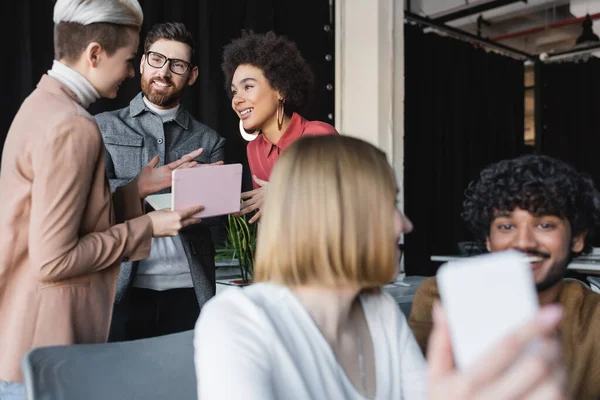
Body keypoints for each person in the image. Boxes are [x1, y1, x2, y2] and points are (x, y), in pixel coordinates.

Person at [194, 135, 566, 400]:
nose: (405, 225)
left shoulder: (379, 311)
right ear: (334, 217)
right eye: (389, 203)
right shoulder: (237, 320)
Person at [0, 0, 203, 395]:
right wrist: (147, 225)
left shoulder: (40, 106)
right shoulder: (73, 127)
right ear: (95, 54)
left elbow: (61, 224)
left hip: (24, 338)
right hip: (48, 349)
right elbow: (55, 259)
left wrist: (138, 189)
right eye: (131, 60)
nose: (131, 73)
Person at [409, 154, 600, 400]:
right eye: (506, 226)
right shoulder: (440, 298)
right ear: (487, 239)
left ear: (577, 239)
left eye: (544, 225)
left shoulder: (594, 316)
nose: (523, 242)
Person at [95, 22, 226, 341]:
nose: (164, 72)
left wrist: (212, 199)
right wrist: (140, 187)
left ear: (191, 75)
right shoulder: (102, 128)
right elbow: (90, 203)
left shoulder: (208, 140)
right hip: (119, 292)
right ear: (142, 63)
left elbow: (219, 225)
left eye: (177, 64)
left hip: (189, 293)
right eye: (156, 59)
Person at [221, 31, 338, 223]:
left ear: (281, 90)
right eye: (234, 92)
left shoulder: (319, 135)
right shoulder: (254, 149)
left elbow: (338, 204)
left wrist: (281, 194)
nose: (237, 100)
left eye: (248, 86)